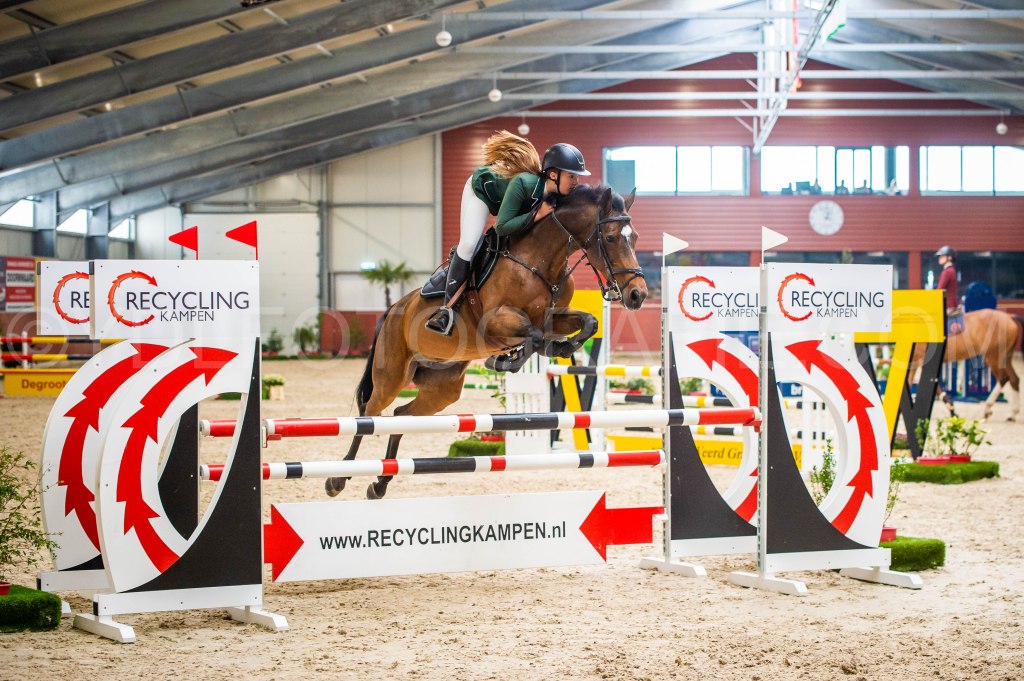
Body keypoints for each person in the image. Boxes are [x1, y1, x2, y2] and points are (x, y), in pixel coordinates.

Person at [425, 135, 590, 335]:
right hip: (483, 192)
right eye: (572, 176)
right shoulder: (524, 183)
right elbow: (502, 227)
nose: (576, 181)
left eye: (577, 177)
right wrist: (536, 215)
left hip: (509, 205)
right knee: (469, 244)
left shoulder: (558, 194)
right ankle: (447, 310)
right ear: (554, 174)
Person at [935, 245, 963, 335]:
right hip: (952, 304)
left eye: (942, 256)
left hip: (948, 306)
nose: (939, 258)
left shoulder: (947, 272)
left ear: (949, 258)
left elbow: (939, 290)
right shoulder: (952, 270)